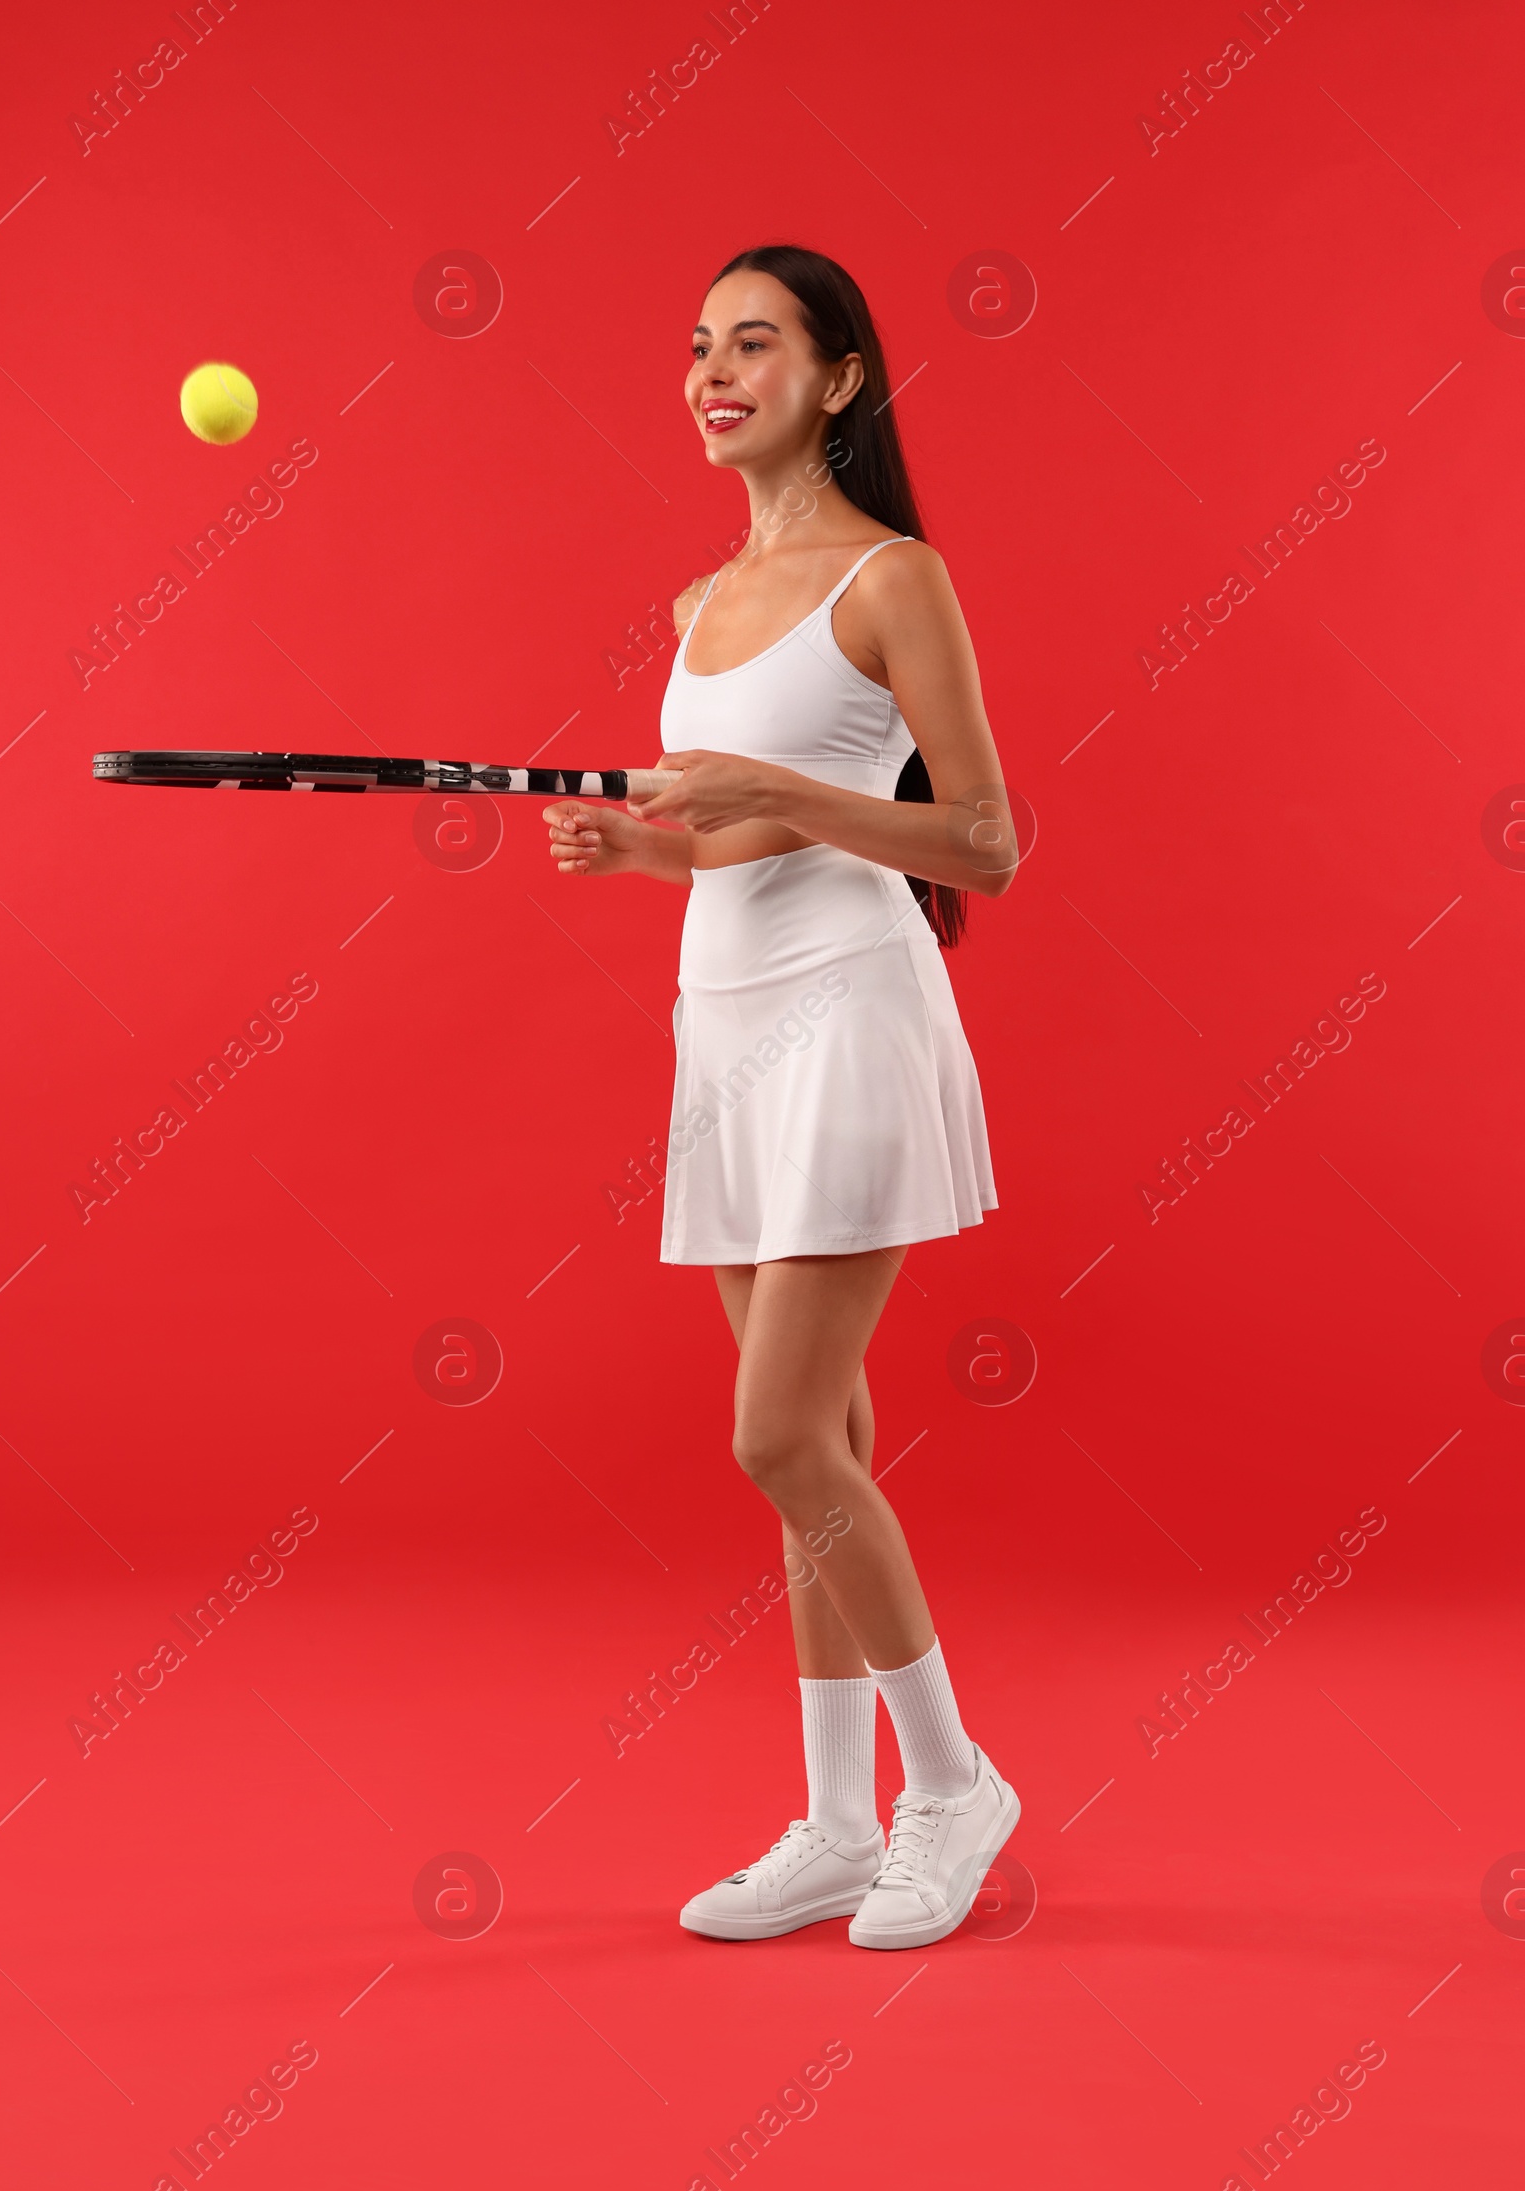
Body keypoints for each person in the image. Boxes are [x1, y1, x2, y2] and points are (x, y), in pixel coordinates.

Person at [542, 244, 1019, 1951]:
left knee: (776, 1438)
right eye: (696, 345)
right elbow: (732, 835)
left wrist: (765, 793)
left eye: (755, 343)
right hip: (722, 1021)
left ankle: (953, 1790)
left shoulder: (896, 578)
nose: (713, 369)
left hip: (848, 1014)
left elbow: (985, 844)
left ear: (840, 378)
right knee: (825, 1445)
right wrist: (649, 848)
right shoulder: (696, 605)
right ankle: (831, 1819)